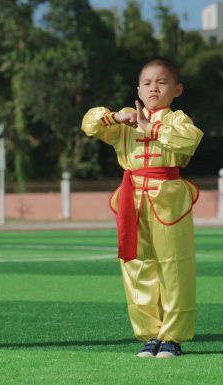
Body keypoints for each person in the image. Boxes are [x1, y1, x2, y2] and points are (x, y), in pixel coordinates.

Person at [81, 57, 203, 358]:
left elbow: (190, 140)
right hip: (132, 198)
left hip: (168, 199)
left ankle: (172, 337)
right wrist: (115, 119)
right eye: (147, 83)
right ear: (138, 88)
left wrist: (152, 129)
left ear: (177, 89)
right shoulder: (124, 118)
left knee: (175, 266)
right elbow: (90, 124)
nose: (153, 88)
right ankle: (150, 335)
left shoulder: (177, 121)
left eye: (161, 82)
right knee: (136, 265)